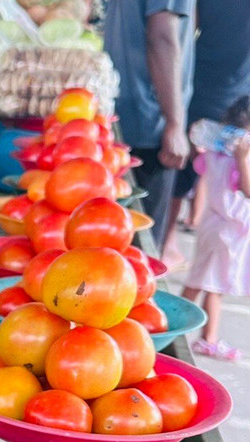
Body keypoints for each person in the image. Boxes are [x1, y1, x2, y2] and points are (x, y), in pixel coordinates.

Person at [162, 0, 250, 267]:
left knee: (188, 167)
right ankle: (176, 245)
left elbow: (188, 26)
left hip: (199, 80)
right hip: (235, 94)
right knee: (219, 173)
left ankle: (170, 241)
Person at [103, 0, 195, 241]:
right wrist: (175, 124)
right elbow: (162, 35)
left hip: (124, 114)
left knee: (113, 237)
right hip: (150, 122)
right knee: (141, 242)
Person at [180, 96, 250, 361]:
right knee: (214, 284)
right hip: (229, 229)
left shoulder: (216, 151)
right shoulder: (240, 156)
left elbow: (200, 167)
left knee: (200, 279)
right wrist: (243, 160)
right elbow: (247, 190)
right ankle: (208, 339)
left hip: (213, 223)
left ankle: (171, 321)